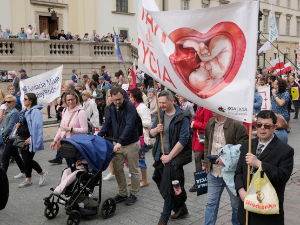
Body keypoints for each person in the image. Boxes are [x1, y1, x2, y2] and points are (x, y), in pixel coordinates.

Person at [234, 110, 294, 225]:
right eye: (259, 125)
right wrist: (241, 190)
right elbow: (239, 171)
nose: (262, 128)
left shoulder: (285, 150)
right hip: (247, 209)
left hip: (267, 211)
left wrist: (259, 164)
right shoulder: (248, 144)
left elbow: (282, 176)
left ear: (274, 127)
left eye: (267, 126)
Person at [149, 90, 191, 224]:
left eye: (164, 103)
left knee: (168, 188)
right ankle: (182, 209)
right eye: (160, 103)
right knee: (166, 186)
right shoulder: (160, 114)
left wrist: (170, 156)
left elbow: (183, 140)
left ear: (172, 101)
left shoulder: (182, 117)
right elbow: (151, 134)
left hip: (174, 159)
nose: (161, 105)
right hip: (160, 156)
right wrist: (156, 130)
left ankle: (163, 218)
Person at [203, 112, 248, 225]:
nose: (210, 108)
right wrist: (206, 162)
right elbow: (207, 143)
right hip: (214, 172)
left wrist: (227, 159)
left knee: (236, 205)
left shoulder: (236, 124)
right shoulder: (211, 122)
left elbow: (244, 147)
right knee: (211, 204)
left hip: (232, 174)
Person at [98, 87, 140, 206]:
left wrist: (120, 141)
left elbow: (129, 125)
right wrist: (99, 135)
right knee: (118, 169)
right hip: (118, 143)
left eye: (120, 99)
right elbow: (107, 124)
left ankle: (134, 194)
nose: (117, 102)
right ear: (111, 98)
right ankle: (122, 193)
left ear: (123, 96)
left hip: (130, 143)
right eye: (115, 99)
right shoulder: (111, 107)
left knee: (133, 170)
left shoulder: (130, 106)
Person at [17, 93, 48, 188]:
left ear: (31, 101)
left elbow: (38, 127)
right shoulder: (23, 110)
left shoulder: (35, 112)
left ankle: (42, 174)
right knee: (26, 160)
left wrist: (31, 138)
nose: (23, 100)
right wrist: (17, 124)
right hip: (21, 138)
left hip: (29, 138)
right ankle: (29, 179)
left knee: (27, 159)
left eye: (25, 99)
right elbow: (21, 121)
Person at [129, 88, 151, 187]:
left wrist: (135, 122)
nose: (129, 99)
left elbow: (148, 122)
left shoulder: (142, 107)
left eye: (131, 97)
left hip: (141, 137)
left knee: (141, 159)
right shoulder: (134, 106)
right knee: (134, 159)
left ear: (135, 97)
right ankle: (137, 180)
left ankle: (144, 180)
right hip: (133, 136)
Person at [189, 106, 213, 192]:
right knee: (199, 159)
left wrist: (194, 124)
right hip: (198, 137)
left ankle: (200, 183)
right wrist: (192, 121)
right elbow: (195, 118)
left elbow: (208, 124)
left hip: (203, 137)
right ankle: (201, 182)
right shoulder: (199, 106)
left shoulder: (206, 108)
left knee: (198, 158)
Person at [1, 95, 24, 176]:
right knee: (16, 155)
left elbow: (10, 126)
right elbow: (4, 124)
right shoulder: (6, 111)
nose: (6, 103)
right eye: (5, 101)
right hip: (7, 136)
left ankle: (2, 177)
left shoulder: (14, 112)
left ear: (14, 103)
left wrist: (2, 133)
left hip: (12, 137)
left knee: (5, 157)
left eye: (9, 102)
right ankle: (24, 171)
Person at [102, 89, 116, 181]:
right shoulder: (107, 107)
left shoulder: (119, 106)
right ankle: (112, 172)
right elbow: (106, 121)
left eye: (112, 95)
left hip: (117, 134)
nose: (110, 98)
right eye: (108, 96)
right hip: (109, 133)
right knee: (110, 153)